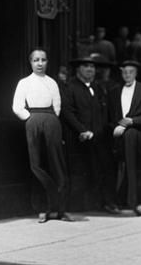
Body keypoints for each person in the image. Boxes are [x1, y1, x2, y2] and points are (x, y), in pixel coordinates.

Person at [11, 48, 72, 223]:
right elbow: (16, 106)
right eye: (36, 60)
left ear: (47, 62)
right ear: (31, 62)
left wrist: (51, 119)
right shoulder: (24, 82)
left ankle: (61, 209)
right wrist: (30, 119)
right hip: (33, 120)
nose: (39, 63)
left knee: (57, 162)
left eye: (43, 60)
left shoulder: (52, 82)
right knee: (37, 164)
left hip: (51, 120)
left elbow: (57, 105)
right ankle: (43, 209)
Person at [60, 52, 118, 213]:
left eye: (92, 66)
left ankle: (106, 203)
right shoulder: (70, 87)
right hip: (79, 138)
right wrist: (82, 130)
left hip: (99, 138)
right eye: (85, 66)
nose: (90, 69)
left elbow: (106, 112)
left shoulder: (99, 88)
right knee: (80, 171)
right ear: (78, 69)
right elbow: (67, 112)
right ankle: (78, 207)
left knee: (104, 169)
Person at [107, 58, 141, 216]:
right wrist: (117, 126)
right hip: (119, 136)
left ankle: (134, 202)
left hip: (139, 136)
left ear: (136, 73)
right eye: (125, 72)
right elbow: (110, 117)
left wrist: (132, 121)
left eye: (131, 72)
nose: (127, 75)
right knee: (119, 167)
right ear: (121, 73)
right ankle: (120, 199)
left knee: (133, 166)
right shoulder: (114, 92)